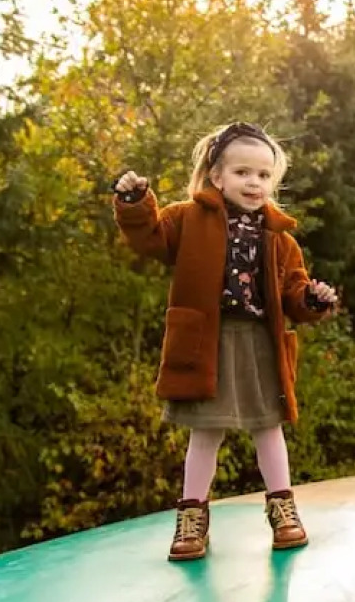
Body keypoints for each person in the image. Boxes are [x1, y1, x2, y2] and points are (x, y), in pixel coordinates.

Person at [113, 121, 339, 561]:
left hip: (259, 344)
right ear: (217, 176)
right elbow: (149, 239)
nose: (253, 183)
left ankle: (283, 510)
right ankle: (192, 519)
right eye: (242, 173)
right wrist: (134, 202)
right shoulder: (187, 219)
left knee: (267, 428)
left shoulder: (281, 238)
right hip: (207, 343)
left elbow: (295, 292)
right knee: (206, 432)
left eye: (263, 175)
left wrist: (312, 298)